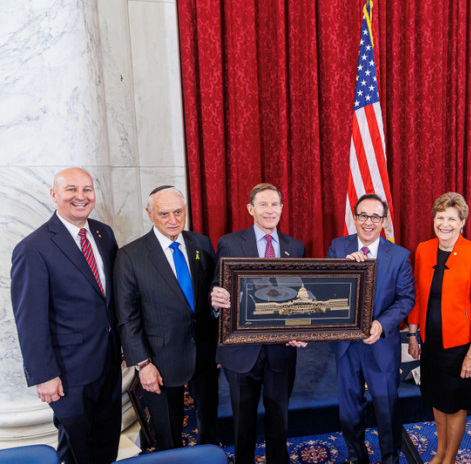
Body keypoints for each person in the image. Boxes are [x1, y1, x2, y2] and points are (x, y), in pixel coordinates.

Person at [10, 168, 121, 464]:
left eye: (87, 189)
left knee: (106, 443)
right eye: (71, 189)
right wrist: (44, 375)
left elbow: (109, 298)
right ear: (54, 195)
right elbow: (29, 320)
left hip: (108, 365)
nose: (81, 197)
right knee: (77, 447)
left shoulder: (103, 233)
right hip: (69, 373)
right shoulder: (33, 248)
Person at [114, 186, 218, 449]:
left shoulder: (201, 243)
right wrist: (143, 364)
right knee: (168, 436)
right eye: (164, 214)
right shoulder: (130, 256)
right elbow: (127, 317)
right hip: (160, 360)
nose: (173, 220)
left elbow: (209, 297)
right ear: (150, 214)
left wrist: (219, 345)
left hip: (205, 356)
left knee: (209, 424)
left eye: (178, 212)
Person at [210, 183, 306, 464]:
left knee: (279, 420)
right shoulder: (229, 242)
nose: (270, 210)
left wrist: (303, 327)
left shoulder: (295, 247)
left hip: (281, 349)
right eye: (263, 205)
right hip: (241, 352)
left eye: (275, 204)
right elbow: (217, 286)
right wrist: (214, 300)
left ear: (282, 209)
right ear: (251, 209)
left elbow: (300, 295)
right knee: (243, 423)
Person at [326, 193, 415, 464]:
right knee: (349, 409)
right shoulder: (338, 248)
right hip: (346, 345)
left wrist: (382, 324)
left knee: (386, 406)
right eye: (363, 216)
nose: (368, 222)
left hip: (381, 344)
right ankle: (356, 455)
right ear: (354, 218)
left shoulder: (399, 256)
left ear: (384, 220)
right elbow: (325, 288)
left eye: (375, 217)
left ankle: (390, 457)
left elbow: (406, 298)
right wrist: (343, 270)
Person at [407, 192, 471, 464]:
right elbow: (417, 295)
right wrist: (412, 333)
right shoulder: (423, 249)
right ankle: (441, 451)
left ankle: (450, 458)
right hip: (430, 342)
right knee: (436, 399)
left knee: (455, 405)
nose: (445, 223)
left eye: (452, 218)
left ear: (462, 222)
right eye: (440, 217)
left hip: (460, 347)